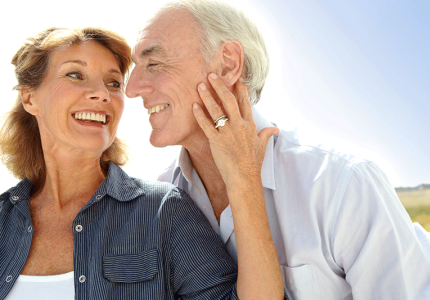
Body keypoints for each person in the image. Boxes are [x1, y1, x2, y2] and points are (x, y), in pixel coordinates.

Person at [125, 0, 430, 299]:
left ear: (227, 66)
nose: (132, 88)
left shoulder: (342, 184)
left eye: (154, 63)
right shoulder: (159, 202)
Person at [0, 26, 286, 299]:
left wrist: (245, 178)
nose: (102, 93)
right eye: (75, 75)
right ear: (29, 97)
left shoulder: (164, 210)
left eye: (113, 83)